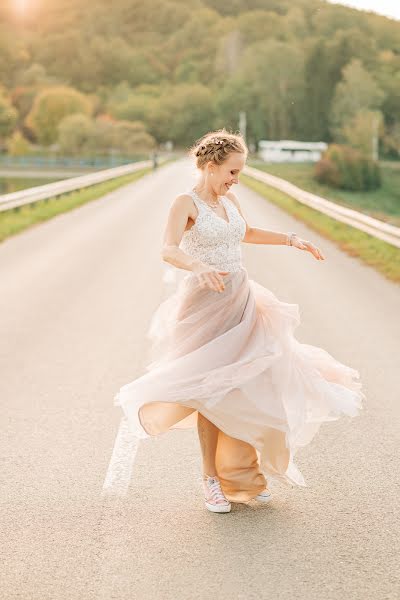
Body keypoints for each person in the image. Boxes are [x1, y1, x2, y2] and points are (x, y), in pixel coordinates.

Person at [114, 128, 365, 514]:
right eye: (232, 172)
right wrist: (197, 266)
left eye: (239, 173)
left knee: (247, 384)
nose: (236, 179)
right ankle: (210, 481)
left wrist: (291, 239)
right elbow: (168, 248)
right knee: (210, 392)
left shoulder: (230, 200)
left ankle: (242, 475)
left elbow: (246, 233)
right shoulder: (186, 202)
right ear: (211, 167)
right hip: (204, 306)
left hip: (241, 299)